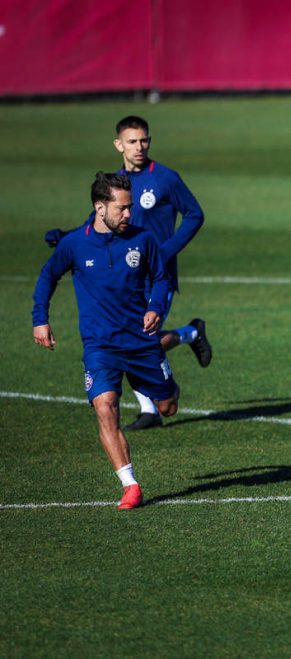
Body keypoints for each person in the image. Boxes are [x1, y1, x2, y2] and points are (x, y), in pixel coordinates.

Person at [44, 115, 210, 431]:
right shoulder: (115, 185)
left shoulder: (165, 178)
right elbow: (96, 222)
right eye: (132, 141)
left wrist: (167, 250)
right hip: (124, 274)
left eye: (144, 140)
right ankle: (155, 398)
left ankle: (157, 397)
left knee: (142, 338)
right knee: (131, 338)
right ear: (119, 144)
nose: (139, 147)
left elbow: (194, 214)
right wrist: (66, 236)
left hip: (156, 272)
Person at [33, 172, 181, 510]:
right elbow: (47, 275)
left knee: (167, 408)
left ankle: (170, 389)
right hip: (101, 345)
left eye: (130, 208)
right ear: (100, 208)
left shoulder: (143, 240)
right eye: (122, 209)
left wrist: (155, 306)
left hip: (142, 342)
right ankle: (130, 485)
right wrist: (40, 319)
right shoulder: (74, 244)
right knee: (105, 408)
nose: (130, 215)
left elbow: (160, 278)